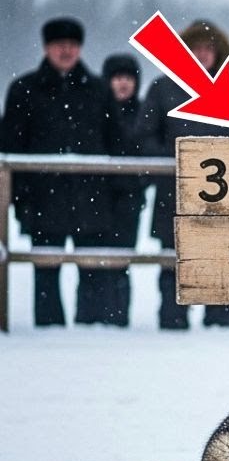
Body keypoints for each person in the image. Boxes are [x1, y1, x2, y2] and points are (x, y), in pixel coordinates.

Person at [137, 19, 229, 329]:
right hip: (175, 195)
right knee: (174, 262)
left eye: (209, 49)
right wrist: (181, 164)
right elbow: (144, 138)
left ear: (220, 53)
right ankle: (172, 320)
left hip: (226, 199)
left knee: (222, 261)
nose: (202, 54)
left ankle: (220, 323)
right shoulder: (162, 89)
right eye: (195, 48)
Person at [1, 17, 122, 326]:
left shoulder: (98, 90)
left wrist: (114, 190)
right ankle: (48, 331)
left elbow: (116, 142)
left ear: (80, 48)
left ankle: (92, 330)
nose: (66, 50)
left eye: (72, 45)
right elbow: (11, 145)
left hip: (91, 196)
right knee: (45, 271)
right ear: (46, 47)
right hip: (43, 198)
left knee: (93, 269)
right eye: (59, 44)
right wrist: (21, 197)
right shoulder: (24, 89)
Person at [86, 53, 147, 326]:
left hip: (129, 197)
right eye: (117, 78)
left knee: (121, 262)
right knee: (90, 265)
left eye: (128, 78)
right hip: (94, 197)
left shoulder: (144, 113)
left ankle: (118, 318)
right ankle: (88, 318)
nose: (122, 84)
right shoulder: (95, 112)